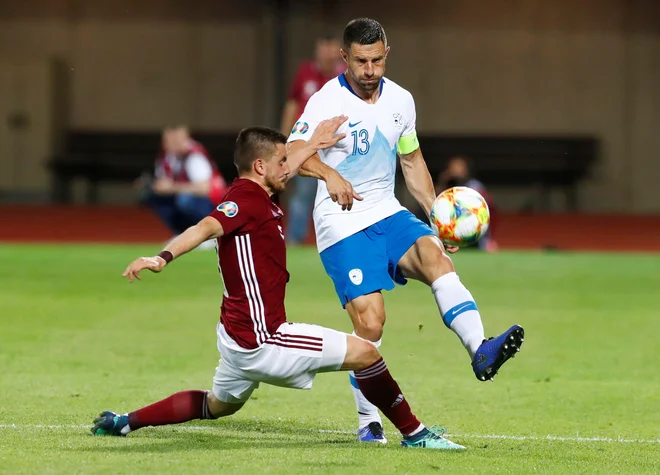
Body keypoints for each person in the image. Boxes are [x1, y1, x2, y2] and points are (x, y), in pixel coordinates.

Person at [91, 118, 465, 450]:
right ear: (259, 166)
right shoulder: (245, 200)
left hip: (236, 338)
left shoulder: (262, 191)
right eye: (282, 162)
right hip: (263, 338)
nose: (290, 168)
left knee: (215, 405)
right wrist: (162, 257)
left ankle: (124, 422)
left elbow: (290, 161)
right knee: (366, 352)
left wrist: (315, 144)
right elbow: (204, 227)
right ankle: (416, 434)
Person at [287, 18, 524, 444]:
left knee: (436, 254)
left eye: (377, 59)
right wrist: (328, 174)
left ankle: (480, 350)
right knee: (372, 325)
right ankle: (367, 420)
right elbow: (292, 153)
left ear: (387, 53)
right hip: (341, 223)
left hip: (386, 210)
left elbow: (411, 162)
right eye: (361, 61)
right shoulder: (325, 100)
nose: (370, 69)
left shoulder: (401, 100)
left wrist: (436, 215)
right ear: (345, 58)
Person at [280, 36, 345, 245]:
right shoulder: (305, 72)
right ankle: (294, 240)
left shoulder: (345, 75)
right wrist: (284, 138)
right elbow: (292, 104)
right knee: (302, 194)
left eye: (331, 48)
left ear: (338, 51)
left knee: (338, 190)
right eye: (324, 48)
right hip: (306, 143)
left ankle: (339, 239)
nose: (327, 53)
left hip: (337, 144)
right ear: (318, 50)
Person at [143, 126, 227, 246]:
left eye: (174, 139)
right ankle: (181, 234)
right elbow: (163, 181)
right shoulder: (168, 157)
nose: (168, 143)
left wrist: (171, 187)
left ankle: (207, 235)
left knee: (185, 199)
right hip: (182, 196)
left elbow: (204, 188)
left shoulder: (194, 156)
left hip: (214, 205)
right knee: (152, 197)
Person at [436, 156, 498, 252]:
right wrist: (443, 181)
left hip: (471, 224)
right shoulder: (445, 187)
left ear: (465, 170)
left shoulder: (474, 185)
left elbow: (486, 206)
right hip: (449, 227)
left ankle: (485, 241)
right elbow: (435, 203)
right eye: (453, 167)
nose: (456, 170)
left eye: (459, 167)